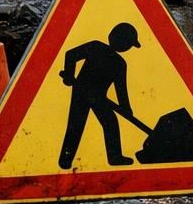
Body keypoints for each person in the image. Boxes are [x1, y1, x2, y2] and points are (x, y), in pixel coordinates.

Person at [58, 22, 141, 169]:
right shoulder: (101, 51)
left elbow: (121, 89)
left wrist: (126, 108)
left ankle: (114, 157)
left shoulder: (114, 59)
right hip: (82, 92)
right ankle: (66, 160)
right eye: (128, 44)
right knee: (76, 125)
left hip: (98, 97)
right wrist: (69, 76)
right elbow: (71, 55)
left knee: (107, 123)